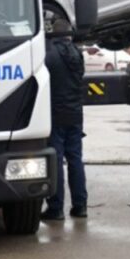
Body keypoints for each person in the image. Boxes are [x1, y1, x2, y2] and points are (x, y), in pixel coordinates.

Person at [41, 19, 88, 220]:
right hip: (76, 114)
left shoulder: (49, 56)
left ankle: (56, 208)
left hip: (56, 114)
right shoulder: (78, 54)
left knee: (57, 161)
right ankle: (80, 206)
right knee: (76, 159)